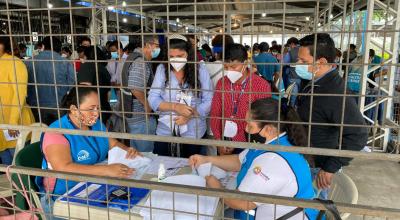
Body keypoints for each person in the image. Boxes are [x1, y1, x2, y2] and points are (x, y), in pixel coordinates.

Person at [190, 98, 318, 220]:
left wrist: (214, 184)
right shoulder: (277, 142)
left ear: (268, 129)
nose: (245, 129)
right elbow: (239, 160)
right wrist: (206, 159)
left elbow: (241, 201)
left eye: (250, 126)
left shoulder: (273, 160)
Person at [35, 87, 139, 215]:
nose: (96, 113)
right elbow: (62, 167)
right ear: (74, 110)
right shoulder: (56, 132)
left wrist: (128, 150)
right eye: (91, 109)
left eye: (98, 108)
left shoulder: (96, 125)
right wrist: (107, 170)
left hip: (93, 186)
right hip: (63, 197)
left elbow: (114, 143)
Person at [296, 33, 368, 198]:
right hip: (306, 160)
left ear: (321, 62)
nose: (297, 64)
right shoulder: (315, 82)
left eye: (303, 61)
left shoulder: (335, 93)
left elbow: (358, 135)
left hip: (319, 167)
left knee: (311, 209)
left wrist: (330, 167)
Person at [148, 34, 213, 158]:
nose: (175, 60)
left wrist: (191, 114)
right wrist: (175, 107)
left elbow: (209, 99)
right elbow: (153, 97)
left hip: (194, 131)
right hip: (166, 131)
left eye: (180, 56)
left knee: (192, 169)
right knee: (164, 167)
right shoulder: (162, 69)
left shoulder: (200, 70)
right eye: (171, 57)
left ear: (188, 53)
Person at [210, 43, 271, 155]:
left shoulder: (261, 85)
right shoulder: (222, 83)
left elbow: (263, 120)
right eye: (225, 67)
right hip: (225, 141)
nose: (229, 71)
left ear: (245, 63)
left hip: (250, 143)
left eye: (233, 67)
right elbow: (215, 113)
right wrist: (219, 141)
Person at [0, 31, 35, 165]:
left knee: (19, 167)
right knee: (7, 168)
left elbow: (20, 94)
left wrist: (12, 123)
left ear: (4, 44)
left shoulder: (15, 63)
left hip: (14, 124)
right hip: (2, 125)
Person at [120, 35, 160, 152]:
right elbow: (135, 88)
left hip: (133, 114)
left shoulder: (131, 57)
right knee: (146, 154)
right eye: (156, 46)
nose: (158, 49)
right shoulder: (140, 62)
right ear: (148, 45)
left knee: (136, 152)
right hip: (141, 117)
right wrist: (147, 106)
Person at [26, 36, 75, 125]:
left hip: (35, 106)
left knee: (38, 133)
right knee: (58, 133)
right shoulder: (66, 62)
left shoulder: (29, 62)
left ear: (43, 46)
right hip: (58, 106)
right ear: (60, 48)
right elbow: (72, 85)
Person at [77, 46, 111, 123]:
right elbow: (108, 93)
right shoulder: (103, 69)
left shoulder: (87, 66)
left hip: (90, 111)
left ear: (86, 56)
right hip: (103, 108)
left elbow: (84, 89)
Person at [283, 37, 301, 106]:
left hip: (293, 76)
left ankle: (292, 108)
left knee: (292, 95)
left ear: (292, 44)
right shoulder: (305, 50)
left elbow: (284, 63)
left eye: (289, 45)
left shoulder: (290, 52)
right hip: (305, 77)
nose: (289, 47)